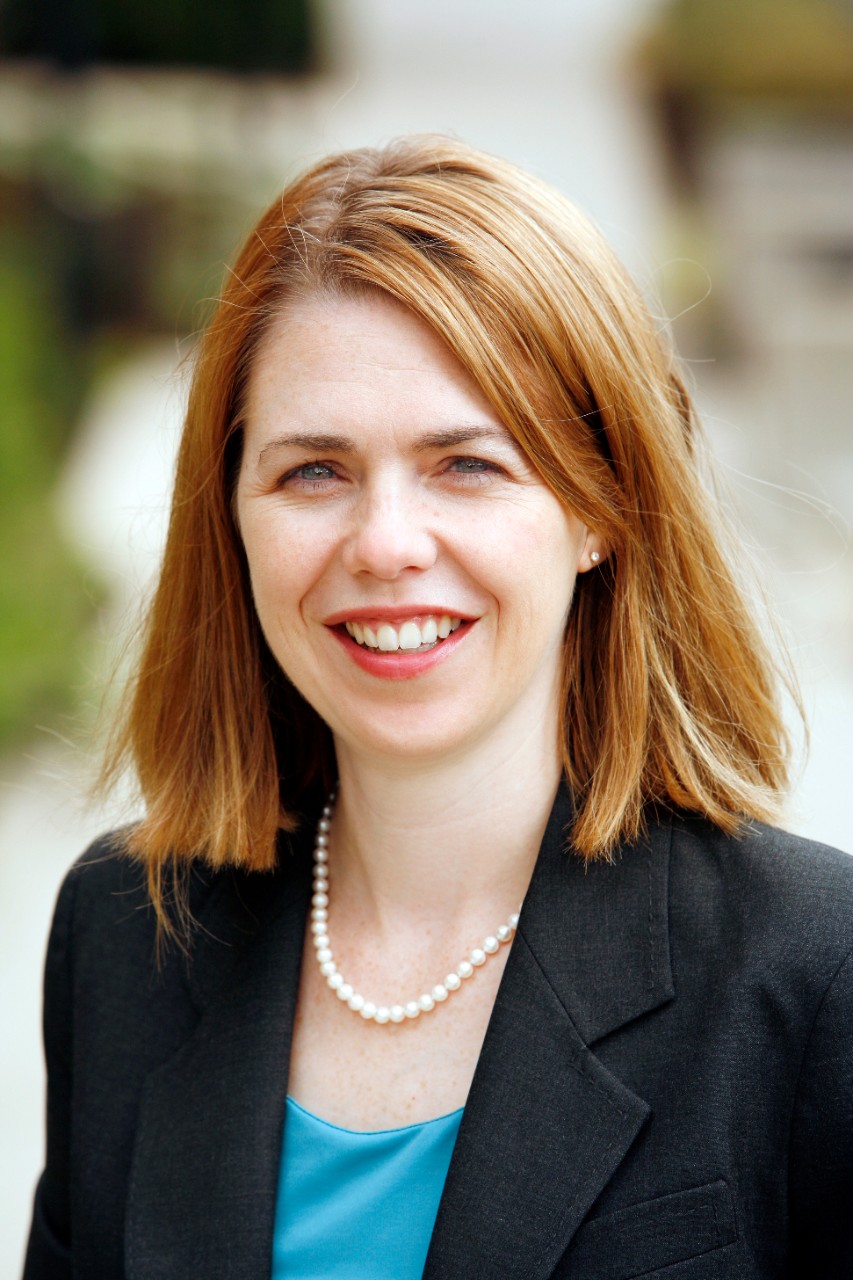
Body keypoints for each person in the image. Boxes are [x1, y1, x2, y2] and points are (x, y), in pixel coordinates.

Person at [23, 136, 853, 1280]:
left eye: (466, 464)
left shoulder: (815, 969)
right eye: (313, 470)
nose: (384, 544)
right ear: (232, 516)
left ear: (601, 507)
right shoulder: (124, 934)